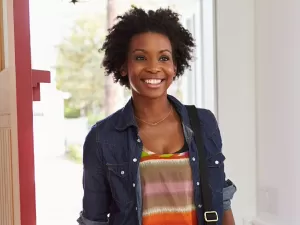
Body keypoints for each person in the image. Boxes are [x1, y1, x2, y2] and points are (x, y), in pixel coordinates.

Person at [77, 7, 236, 225]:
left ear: (175, 66)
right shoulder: (102, 138)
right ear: (124, 66)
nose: (154, 68)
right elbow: (93, 220)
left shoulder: (204, 122)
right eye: (141, 57)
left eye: (163, 58)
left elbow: (222, 201)